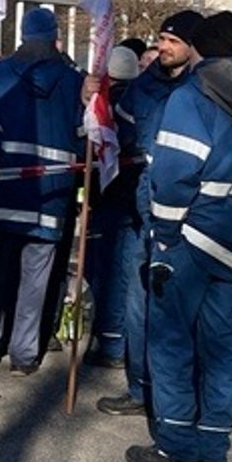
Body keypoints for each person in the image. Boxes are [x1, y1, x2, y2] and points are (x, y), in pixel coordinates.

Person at [126, 12, 232, 462]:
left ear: (200, 48)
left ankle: (176, 443)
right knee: (220, 346)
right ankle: (215, 448)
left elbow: (173, 173)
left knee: (173, 342)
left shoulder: (190, 96)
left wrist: (167, 236)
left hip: (191, 237)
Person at [96, 9, 204, 418]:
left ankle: (178, 399)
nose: (163, 47)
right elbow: (117, 137)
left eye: (173, 41)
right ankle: (140, 390)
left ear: (192, 47)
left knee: (178, 312)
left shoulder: (201, 91)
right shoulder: (142, 89)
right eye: (161, 39)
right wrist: (99, 113)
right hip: (142, 213)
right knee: (138, 306)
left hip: (186, 220)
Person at [0, 6, 82, 374]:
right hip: (50, 196)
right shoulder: (73, 81)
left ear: (23, 34)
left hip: (2, 191)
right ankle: (24, 355)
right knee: (35, 280)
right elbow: (84, 133)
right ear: (55, 36)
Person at [81, 44, 144, 367]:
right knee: (128, 272)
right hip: (133, 196)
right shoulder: (142, 98)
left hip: (110, 195)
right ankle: (117, 342)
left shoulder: (105, 104)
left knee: (107, 269)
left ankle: (110, 341)